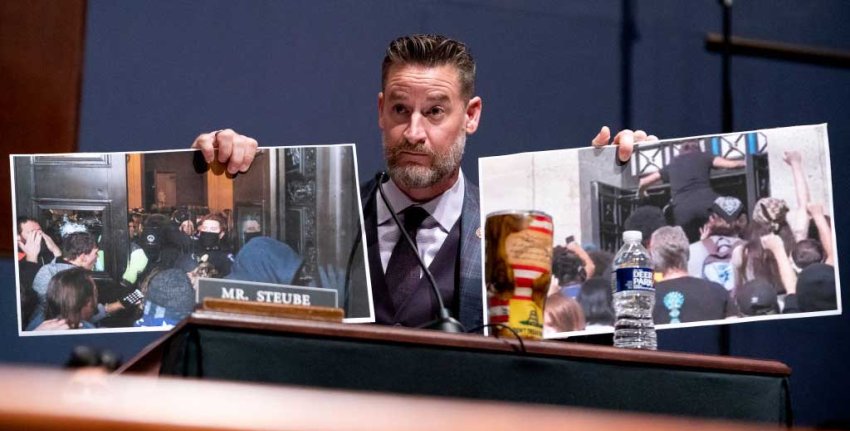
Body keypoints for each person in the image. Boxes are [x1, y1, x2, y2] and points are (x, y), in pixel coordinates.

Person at [191, 34, 651, 332]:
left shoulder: (514, 237)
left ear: (470, 116)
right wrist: (223, 160)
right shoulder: (327, 229)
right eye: (399, 110)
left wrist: (629, 174)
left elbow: (581, 351)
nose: (413, 132)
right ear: (379, 111)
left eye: (434, 111)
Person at [638, 141, 744, 243]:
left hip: (682, 211)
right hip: (707, 205)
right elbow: (731, 164)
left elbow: (643, 182)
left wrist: (642, 193)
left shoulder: (672, 164)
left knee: (687, 240)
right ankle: (735, 241)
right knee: (732, 209)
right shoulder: (703, 156)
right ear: (697, 148)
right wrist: (747, 162)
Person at [649, 226, 736, 324]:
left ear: (654, 260)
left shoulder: (644, 303)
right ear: (688, 253)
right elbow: (736, 332)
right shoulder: (718, 292)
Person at [31, 268, 99, 331]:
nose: (97, 297)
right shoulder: (86, 328)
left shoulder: (38, 322)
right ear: (87, 301)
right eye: (95, 293)